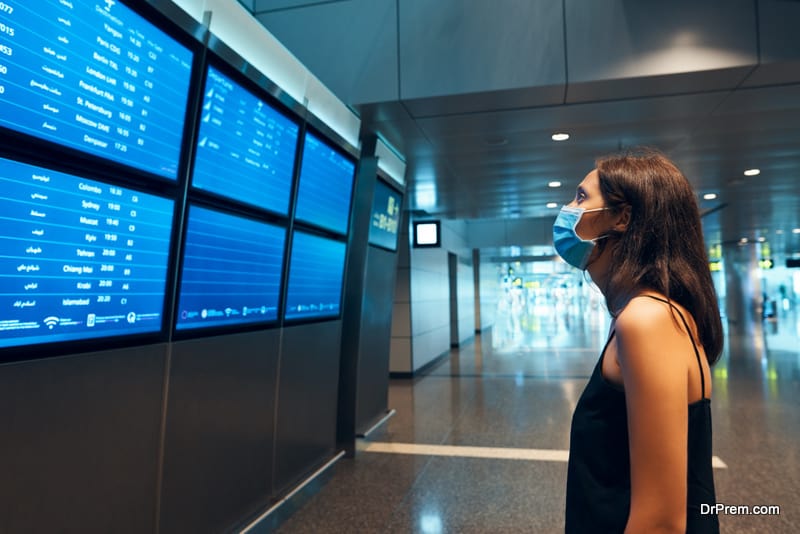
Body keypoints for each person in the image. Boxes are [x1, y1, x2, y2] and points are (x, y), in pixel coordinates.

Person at [556, 149, 723, 533]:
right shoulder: (650, 313)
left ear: (623, 217)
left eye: (581, 197)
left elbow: (662, 521)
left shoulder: (647, 320)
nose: (567, 208)